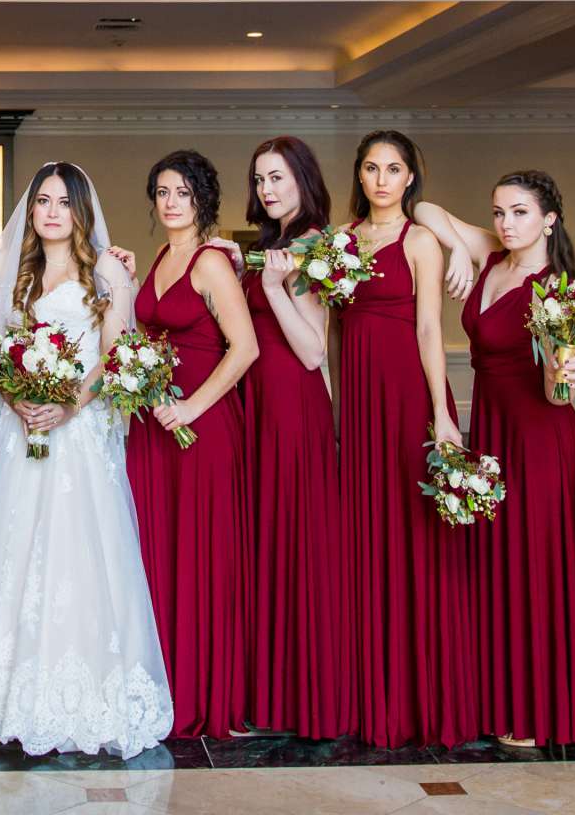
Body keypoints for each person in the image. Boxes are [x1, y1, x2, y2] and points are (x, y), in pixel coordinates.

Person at [0, 161, 173, 758]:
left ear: (79, 213)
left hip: (82, 436)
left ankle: (85, 694)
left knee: (80, 554)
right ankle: (7, 698)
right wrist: (20, 400)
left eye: (63, 202)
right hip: (22, 436)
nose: (50, 212)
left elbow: (116, 358)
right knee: (17, 554)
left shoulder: (110, 278)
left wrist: (68, 404)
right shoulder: (9, 276)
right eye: (42, 200)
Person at [419, 170, 575, 747]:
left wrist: (563, 376)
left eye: (521, 213)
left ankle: (539, 711)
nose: (507, 223)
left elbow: (560, 393)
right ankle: (502, 701)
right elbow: (427, 207)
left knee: (534, 570)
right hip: (493, 432)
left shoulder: (559, 289)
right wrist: (461, 245)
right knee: (497, 567)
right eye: (500, 211)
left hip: (540, 441)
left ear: (549, 220)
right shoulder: (491, 255)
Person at [341, 129, 478, 748]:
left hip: (409, 397)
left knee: (417, 534)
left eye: (393, 169)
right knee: (369, 533)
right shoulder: (342, 242)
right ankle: (375, 691)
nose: (381, 180)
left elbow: (429, 329)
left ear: (409, 178)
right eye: (371, 168)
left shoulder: (419, 239)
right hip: (361, 397)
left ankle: (427, 695)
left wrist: (442, 413)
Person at [128, 149, 257, 739]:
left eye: (182, 192)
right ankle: (164, 686)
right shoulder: (160, 255)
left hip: (200, 429)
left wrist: (190, 406)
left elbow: (245, 347)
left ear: (202, 199)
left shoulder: (211, 263)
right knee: (160, 555)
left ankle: (204, 692)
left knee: (200, 555)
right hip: (155, 427)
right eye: (162, 192)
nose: (171, 202)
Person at [236, 135, 350, 739]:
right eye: (259, 180)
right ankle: (272, 693)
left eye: (277, 178)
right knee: (268, 543)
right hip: (258, 403)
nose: (267, 190)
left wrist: (276, 288)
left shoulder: (316, 246)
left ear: (303, 179)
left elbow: (310, 351)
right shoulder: (275, 245)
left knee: (296, 545)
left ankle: (307, 700)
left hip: (292, 406)